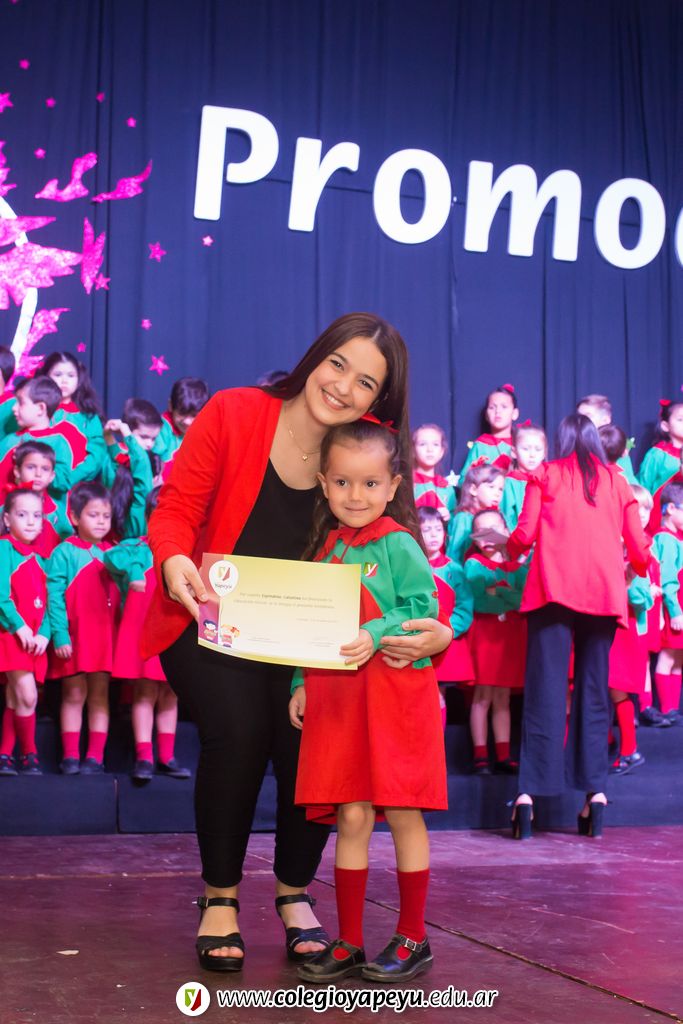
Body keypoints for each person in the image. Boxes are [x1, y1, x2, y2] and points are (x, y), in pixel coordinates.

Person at [142, 312, 452, 972]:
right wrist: (172, 559)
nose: (343, 386)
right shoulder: (234, 412)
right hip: (210, 620)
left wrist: (439, 632)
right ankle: (219, 897)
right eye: (338, 364)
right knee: (239, 732)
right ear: (315, 357)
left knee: (312, 739)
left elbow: (406, 563)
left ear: (379, 402)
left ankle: (293, 893)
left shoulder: (364, 455)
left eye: (365, 382)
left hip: (311, 640)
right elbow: (176, 509)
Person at [289, 418, 446, 983]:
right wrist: (299, 683)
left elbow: (423, 608)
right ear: (324, 484)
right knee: (351, 813)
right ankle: (349, 940)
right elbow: (308, 630)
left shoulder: (399, 543)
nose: (356, 496)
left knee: (403, 808)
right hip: (339, 700)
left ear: (394, 485)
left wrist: (376, 632)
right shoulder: (324, 551)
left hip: (395, 696)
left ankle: (414, 936)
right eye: (342, 482)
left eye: (371, 483)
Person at [505, 414, 650, 839]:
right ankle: (595, 795)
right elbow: (638, 546)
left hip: (553, 590)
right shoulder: (617, 481)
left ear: (562, 441)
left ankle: (528, 797)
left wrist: (506, 547)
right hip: (603, 594)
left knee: (545, 691)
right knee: (594, 694)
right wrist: (638, 569)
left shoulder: (545, 474)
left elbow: (525, 534)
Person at [103, 487, 190, 782]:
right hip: (145, 631)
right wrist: (137, 570)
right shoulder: (137, 548)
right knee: (145, 691)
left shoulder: (186, 552)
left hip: (175, 629)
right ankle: (144, 756)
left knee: (171, 692)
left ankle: (166, 756)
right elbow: (111, 558)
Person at [47, 481, 120, 775]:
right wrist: (60, 635)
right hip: (74, 637)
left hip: (104, 637)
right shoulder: (64, 552)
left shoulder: (114, 552)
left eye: (106, 516)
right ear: (75, 518)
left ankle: (95, 757)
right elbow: (54, 596)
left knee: (100, 694)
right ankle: (70, 756)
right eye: (93, 515)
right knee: (74, 693)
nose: (101, 521)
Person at [464, 509, 528, 774]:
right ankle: (480, 754)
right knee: (483, 696)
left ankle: (503, 754)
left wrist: (498, 591)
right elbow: (479, 601)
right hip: (485, 637)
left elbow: (522, 600)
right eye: (480, 532)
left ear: (505, 531)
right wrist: (506, 594)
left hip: (509, 637)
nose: (487, 537)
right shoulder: (474, 564)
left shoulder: (518, 567)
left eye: (493, 529)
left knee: (503, 697)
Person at [0, 490, 50, 776]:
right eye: (22, 514)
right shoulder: (4, 549)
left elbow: (51, 602)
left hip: (33, 640)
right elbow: (1, 595)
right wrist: (19, 627)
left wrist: (44, 634)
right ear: (7, 519)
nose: (31, 521)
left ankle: (5, 754)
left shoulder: (42, 557)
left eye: (37, 515)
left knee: (15, 696)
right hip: (10, 636)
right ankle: (30, 754)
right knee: (28, 696)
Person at [607, 485, 653, 774]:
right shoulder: (610, 543)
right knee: (603, 687)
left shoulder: (642, 549)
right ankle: (608, 743)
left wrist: (627, 580)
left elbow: (643, 599)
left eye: (646, 509)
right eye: (635, 509)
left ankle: (629, 750)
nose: (641, 515)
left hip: (628, 630)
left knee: (618, 689)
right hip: (608, 626)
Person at [418, 506, 474, 727]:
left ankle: (438, 745)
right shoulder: (411, 568)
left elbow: (464, 607)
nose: (433, 535)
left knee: (438, 695)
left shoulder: (455, 570)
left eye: (438, 529)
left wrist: (447, 629)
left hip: (444, 643)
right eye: (426, 530)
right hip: (417, 642)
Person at [36, 351, 106, 485]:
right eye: (58, 375)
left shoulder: (89, 415)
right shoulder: (36, 411)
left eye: (71, 375)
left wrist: (71, 478)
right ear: (46, 376)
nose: (64, 381)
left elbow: (97, 454)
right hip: (40, 485)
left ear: (79, 379)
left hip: (78, 487)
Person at [0, 376, 74, 502]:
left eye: (20, 403)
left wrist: (36, 468)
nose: (14, 408)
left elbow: (64, 482)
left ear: (40, 408)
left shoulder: (57, 441)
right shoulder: (10, 439)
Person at [101, 399, 163, 539]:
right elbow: (123, 459)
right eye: (144, 437)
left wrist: (110, 437)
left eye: (153, 439)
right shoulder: (137, 461)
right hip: (120, 534)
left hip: (132, 536)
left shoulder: (150, 460)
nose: (149, 444)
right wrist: (121, 435)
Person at [651, 482, 683, 725]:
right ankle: (666, 709)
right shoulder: (665, 539)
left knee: (678, 659)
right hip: (674, 609)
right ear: (671, 509)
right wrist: (675, 612)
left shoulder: (676, 539)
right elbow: (669, 578)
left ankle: (672, 709)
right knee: (668, 656)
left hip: (679, 607)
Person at [5, 442, 72, 556]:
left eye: (45, 469)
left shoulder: (58, 509)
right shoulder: (7, 506)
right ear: (17, 471)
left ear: (52, 476)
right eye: (31, 467)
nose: (38, 474)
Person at [445, 461, 505, 565]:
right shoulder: (463, 519)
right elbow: (453, 555)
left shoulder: (498, 519)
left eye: (500, 489)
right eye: (491, 487)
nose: (497, 494)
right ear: (474, 489)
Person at [457, 383, 519, 481]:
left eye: (504, 407)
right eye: (492, 407)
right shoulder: (480, 445)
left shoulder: (520, 444)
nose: (498, 411)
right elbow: (464, 480)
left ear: (514, 413)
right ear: (486, 415)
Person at [638, 399, 683, 531]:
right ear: (665, 426)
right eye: (680, 420)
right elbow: (644, 484)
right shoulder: (658, 454)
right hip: (660, 517)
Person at [154, 377, 210, 473]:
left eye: (194, 415)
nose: (187, 421)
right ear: (170, 406)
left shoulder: (208, 429)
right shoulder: (160, 428)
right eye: (182, 413)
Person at [577, 393, 636, 484]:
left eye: (587, 417)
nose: (580, 421)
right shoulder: (576, 446)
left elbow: (629, 484)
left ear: (605, 420)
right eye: (579, 417)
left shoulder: (615, 447)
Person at [500, 421, 546, 531]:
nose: (532, 455)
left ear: (544, 453)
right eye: (525, 449)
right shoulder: (510, 482)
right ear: (514, 452)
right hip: (520, 538)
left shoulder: (548, 480)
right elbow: (506, 517)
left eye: (538, 449)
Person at [412, 423, 455, 521]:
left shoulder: (447, 488)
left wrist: (448, 516)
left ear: (442, 451)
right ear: (413, 450)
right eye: (422, 444)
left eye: (435, 444)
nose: (430, 450)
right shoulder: (407, 485)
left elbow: (454, 519)